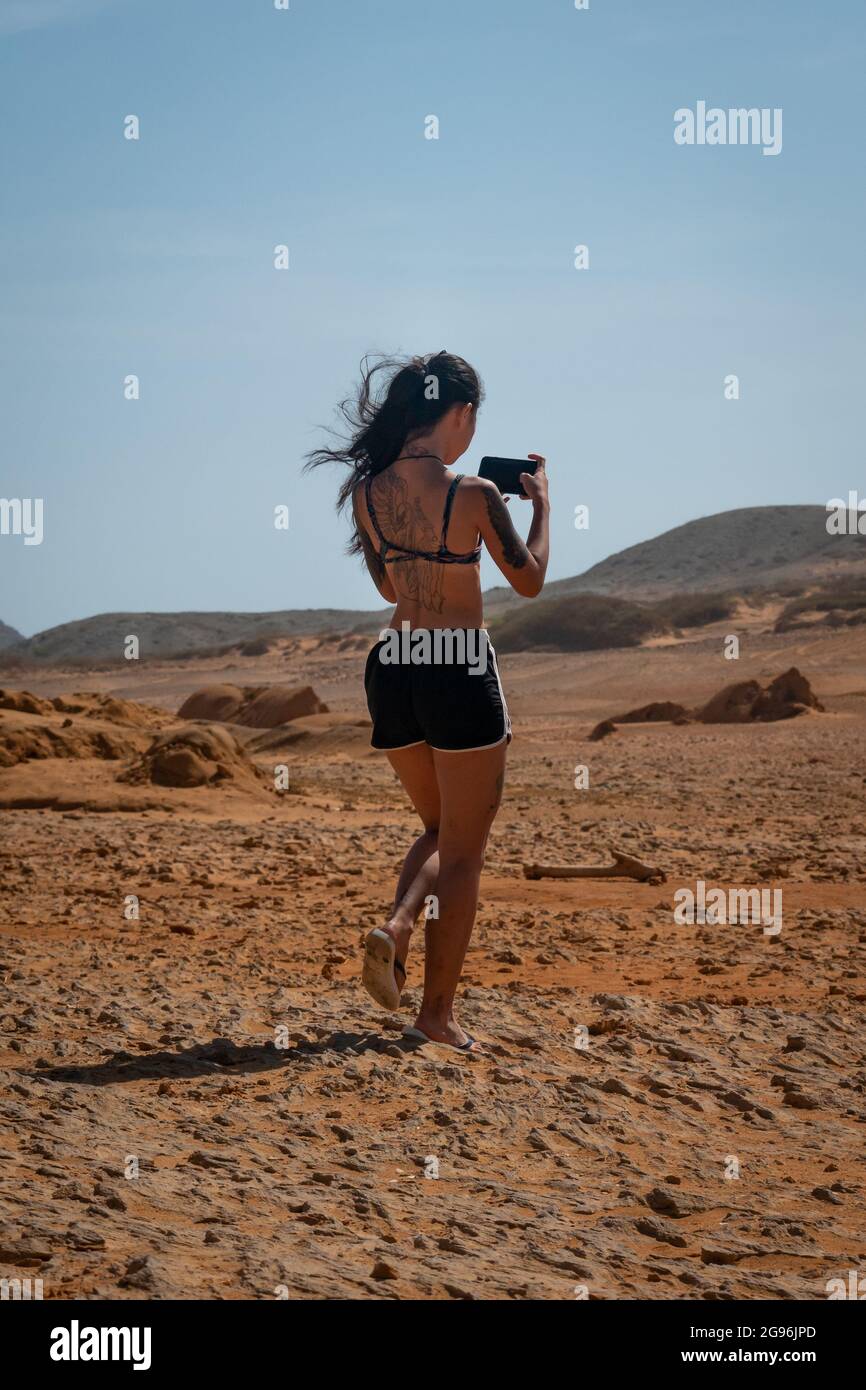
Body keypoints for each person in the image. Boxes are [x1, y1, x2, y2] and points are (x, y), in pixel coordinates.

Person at [306, 351, 549, 1051]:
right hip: (457, 665)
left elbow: (388, 590)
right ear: (462, 413)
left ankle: (397, 928)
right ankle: (431, 1005)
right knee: (465, 850)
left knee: (443, 828)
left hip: (395, 663)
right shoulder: (474, 493)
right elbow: (528, 581)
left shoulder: (367, 490)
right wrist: (543, 509)